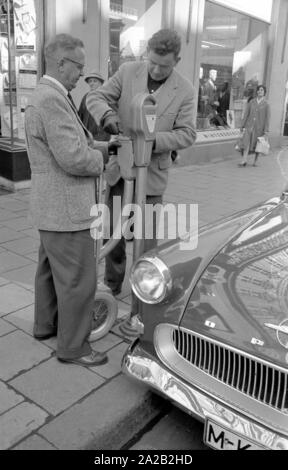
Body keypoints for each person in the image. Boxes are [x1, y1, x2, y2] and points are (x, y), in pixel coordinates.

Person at [24, 34, 120, 367]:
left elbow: (73, 143)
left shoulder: (48, 94)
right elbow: (73, 158)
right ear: (61, 63)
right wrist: (103, 161)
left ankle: (45, 326)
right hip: (67, 210)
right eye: (78, 66)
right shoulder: (51, 99)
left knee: (50, 273)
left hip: (51, 208)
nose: (81, 73)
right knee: (79, 280)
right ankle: (74, 347)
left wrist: (104, 145)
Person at [87, 28, 197, 297]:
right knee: (113, 234)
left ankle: (144, 293)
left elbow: (188, 133)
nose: (157, 71)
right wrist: (107, 117)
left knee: (146, 242)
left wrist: (151, 140)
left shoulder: (184, 89)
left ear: (177, 61)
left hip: (152, 178)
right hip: (120, 172)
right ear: (146, 54)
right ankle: (111, 286)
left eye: (165, 66)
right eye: (153, 63)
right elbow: (96, 97)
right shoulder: (128, 71)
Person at [238, 84, 270, 167]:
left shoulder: (266, 104)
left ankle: (256, 161)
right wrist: (242, 125)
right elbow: (246, 114)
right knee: (246, 143)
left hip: (259, 128)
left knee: (257, 144)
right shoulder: (252, 102)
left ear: (264, 92)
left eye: (262, 90)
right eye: (259, 90)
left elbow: (267, 119)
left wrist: (266, 131)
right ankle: (244, 160)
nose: (260, 91)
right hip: (249, 126)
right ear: (257, 91)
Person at [78, 71, 110, 141]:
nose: (91, 83)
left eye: (95, 81)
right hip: (88, 137)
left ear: (101, 83)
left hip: (102, 137)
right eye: (90, 81)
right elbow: (80, 117)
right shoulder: (85, 97)